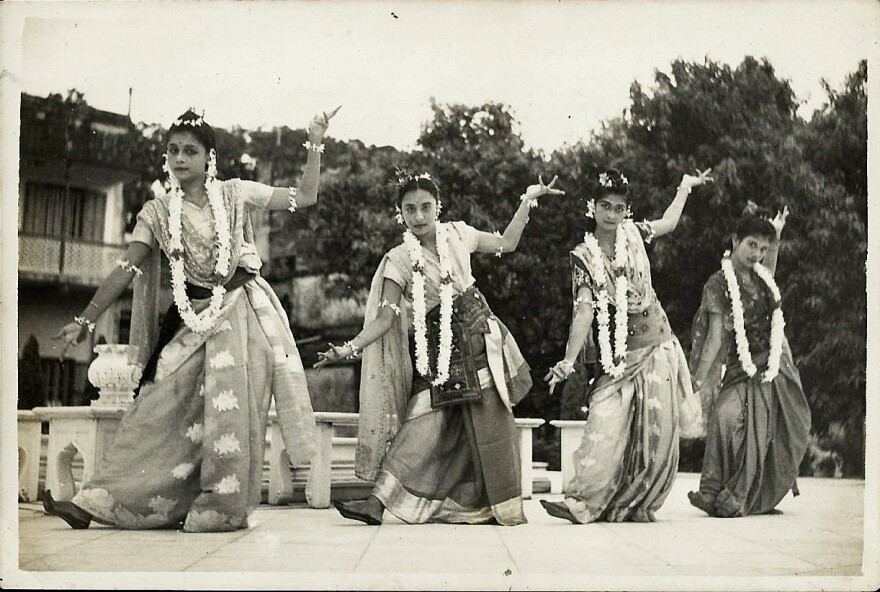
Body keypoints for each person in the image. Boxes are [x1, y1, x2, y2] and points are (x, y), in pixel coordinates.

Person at [43, 106, 340, 532]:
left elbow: (305, 196)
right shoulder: (157, 212)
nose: (179, 158)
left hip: (241, 314)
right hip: (193, 317)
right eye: (173, 151)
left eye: (190, 151)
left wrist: (314, 139)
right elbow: (128, 267)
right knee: (157, 401)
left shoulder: (237, 194)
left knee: (228, 412)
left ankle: (220, 507)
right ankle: (99, 502)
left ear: (209, 157)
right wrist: (86, 318)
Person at [316, 172, 563, 525]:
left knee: (493, 427)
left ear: (438, 207)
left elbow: (507, 243)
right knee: (422, 423)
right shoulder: (398, 260)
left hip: (481, 341)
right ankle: (377, 502)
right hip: (441, 355)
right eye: (410, 209)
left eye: (425, 207)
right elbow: (386, 319)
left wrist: (528, 200)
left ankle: (493, 508)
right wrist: (348, 348)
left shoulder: (459, 234)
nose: (418, 216)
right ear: (400, 213)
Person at [541, 167, 710, 524]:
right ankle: (582, 502)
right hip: (618, 352)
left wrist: (684, 188)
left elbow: (668, 223)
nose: (612, 215)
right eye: (605, 206)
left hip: (657, 342)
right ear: (592, 207)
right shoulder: (584, 256)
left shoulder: (634, 233)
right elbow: (584, 309)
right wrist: (569, 361)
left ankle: (636, 503)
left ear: (626, 212)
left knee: (656, 430)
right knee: (606, 420)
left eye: (619, 208)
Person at [687, 204, 811, 517]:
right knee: (726, 417)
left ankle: (753, 497)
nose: (756, 254)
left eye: (762, 248)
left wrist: (777, 237)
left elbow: (771, 270)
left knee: (773, 429)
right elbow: (716, 336)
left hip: (774, 363)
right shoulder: (718, 283)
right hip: (741, 366)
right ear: (735, 240)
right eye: (751, 245)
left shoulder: (762, 277)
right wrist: (698, 379)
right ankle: (711, 490)